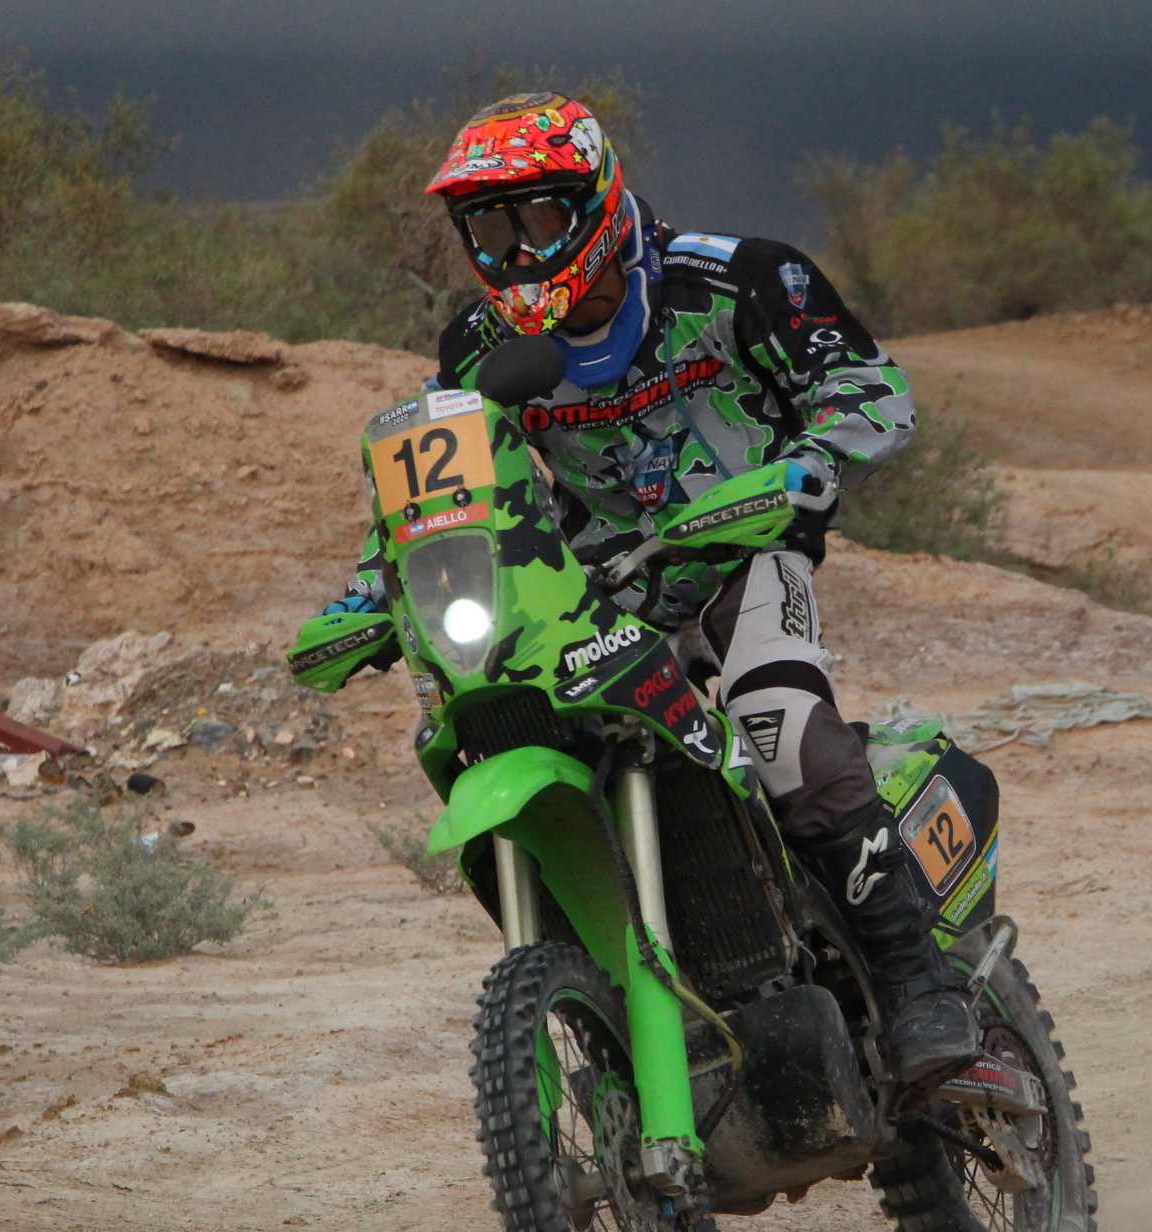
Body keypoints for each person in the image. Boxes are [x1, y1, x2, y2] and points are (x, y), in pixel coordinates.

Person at [322, 91, 979, 1084]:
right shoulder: (477, 351)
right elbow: (443, 496)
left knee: (779, 726)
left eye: (535, 217)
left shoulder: (737, 279)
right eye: (488, 228)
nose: (514, 250)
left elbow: (873, 389)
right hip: (599, 594)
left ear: (592, 200)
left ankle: (917, 980)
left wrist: (809, 458)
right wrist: (377, 589)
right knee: (538, 739)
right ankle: (638, 1011)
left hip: (744, 555)